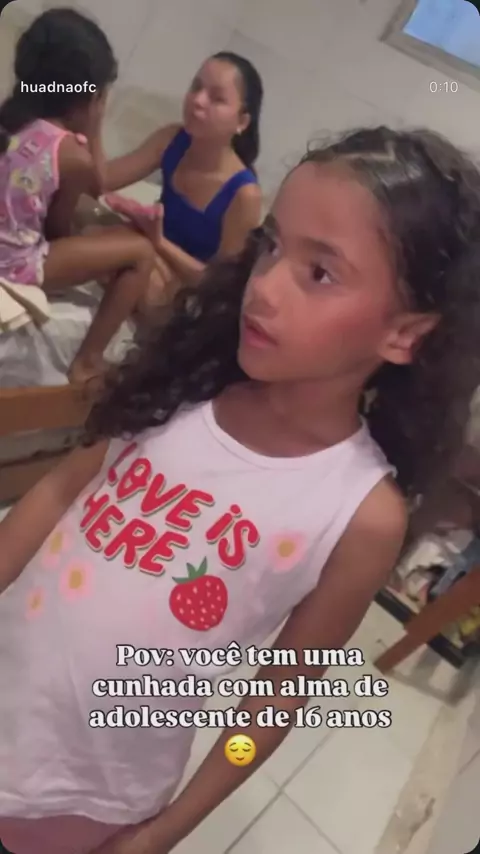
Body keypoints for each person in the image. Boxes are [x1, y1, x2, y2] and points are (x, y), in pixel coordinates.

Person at [1, 125, 480, 854]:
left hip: (81, 792)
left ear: (405, 334)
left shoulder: (359, 513)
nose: (266, 286)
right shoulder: (187, 385)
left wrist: (166, 831)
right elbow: (60, 490)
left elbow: (275, 701)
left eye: (319, 273)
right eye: (272, 247)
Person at [0, 8, 160, 384]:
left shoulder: (12, 118)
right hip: (13, 265)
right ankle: (88, 360)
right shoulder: (71, 155)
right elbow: (58, 231)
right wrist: (95, 125)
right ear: (86, 97)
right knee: (141, 252)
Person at [102, 51, 264, 302]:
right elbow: (102, 179)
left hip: (185, 290)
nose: (198, 100)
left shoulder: (244, 195)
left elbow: (219, 286)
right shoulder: (172, 139)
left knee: (131, 268)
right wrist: (90, 123)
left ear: (242, 121)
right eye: (196, 87)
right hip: (147, 253)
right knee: (86, 220)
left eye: (216, 98)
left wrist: (159, 241)